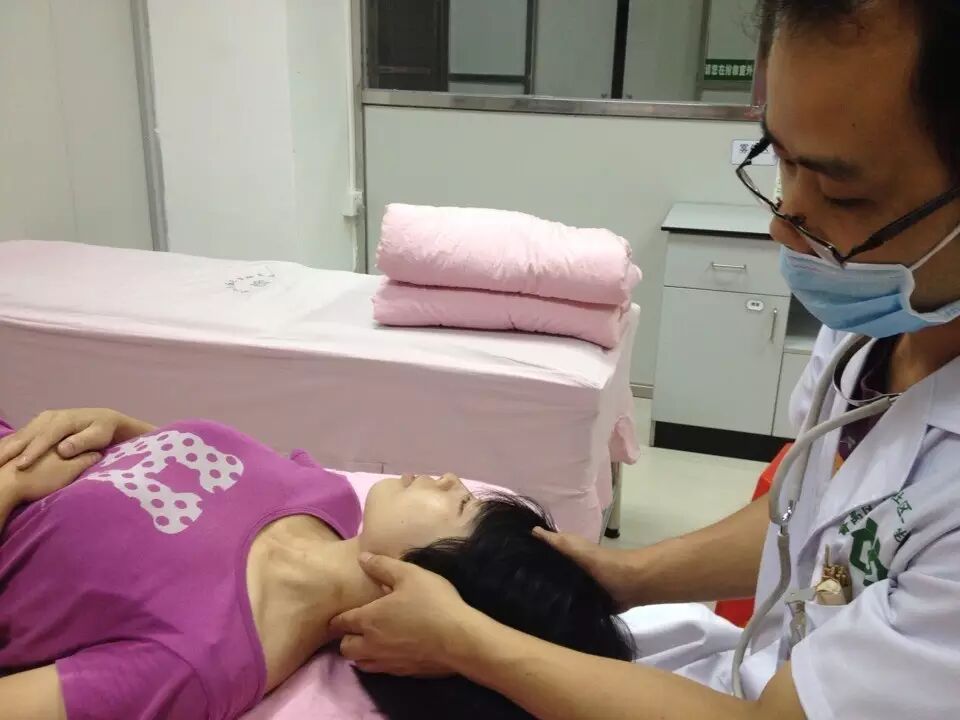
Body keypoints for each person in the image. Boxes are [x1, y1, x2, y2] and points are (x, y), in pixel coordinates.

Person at [330, 1, 960, 718]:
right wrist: (627, 576)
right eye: (780, 159)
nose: (784, 226)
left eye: (843, 193)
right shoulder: (883, 324)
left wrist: (466, 643)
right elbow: (819, 520)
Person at [0, 409, 633, 719]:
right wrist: (115, 427)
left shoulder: (197, 657)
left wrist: (8, 489)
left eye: (463, 506)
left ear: (446, 585)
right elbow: (167, 477)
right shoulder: (326, 497)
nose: (448, 479)